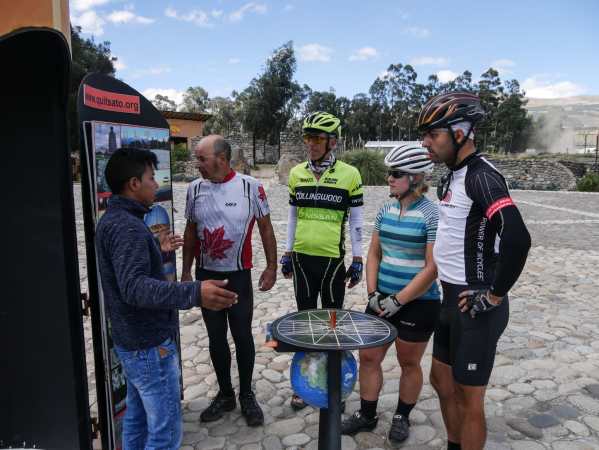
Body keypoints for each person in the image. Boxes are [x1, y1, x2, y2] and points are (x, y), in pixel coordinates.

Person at [96, 147, 238, 450]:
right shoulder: (127, 228)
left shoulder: (117, 220)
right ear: (134, 184)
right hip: (147, 345)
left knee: (137, 418)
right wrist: (195, 291)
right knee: (165, 430)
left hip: (132, 342)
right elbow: (134, 288)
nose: (155, 183)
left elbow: (126, 275)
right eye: (151, 177)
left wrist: (155, 250)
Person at [419, 92, 531, 450]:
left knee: (470, 398)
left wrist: (494, 295)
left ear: (461, 132)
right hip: (450, 298)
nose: (426, 143)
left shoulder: (483, 177)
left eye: (433, 134)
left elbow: (517, 238)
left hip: (476, 303)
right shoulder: (453, 175)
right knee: (440, 379)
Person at [341, 144, 440, 444]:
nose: (389, 178)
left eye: (396, 174)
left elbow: (432, 267)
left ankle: (401, 416)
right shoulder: (386, 209)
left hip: (418, 303)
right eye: (388, 173)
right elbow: (374, 255)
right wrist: (373, 294)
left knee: (409, 362)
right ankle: (367, 414)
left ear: (415, 177)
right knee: (368, 357)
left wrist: (400, 300)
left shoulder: (431, 214)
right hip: (381, 299)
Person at [181, 135, 277, 427]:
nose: (197, 164)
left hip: (237, 275)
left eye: (201, 158)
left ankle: (247, 394)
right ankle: (225, 394)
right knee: (214, 337)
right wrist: (186, 272)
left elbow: (266, 228)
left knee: (242, 335)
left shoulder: (251, 187)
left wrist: (272, 266)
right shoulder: (194, 189)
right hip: (206, 275)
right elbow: (189, 232)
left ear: (221, 159)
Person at [280, 111, 365, 410]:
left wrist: (358, 258)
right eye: (307, 137)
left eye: (317, 138)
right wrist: (287, 252)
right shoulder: (296, 173)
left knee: (332, 325)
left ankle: (332, 383)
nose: (310, 144)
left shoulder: (350, 175)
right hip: (302, 259)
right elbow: (292, 216)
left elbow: (356, 221)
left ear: (333, 142)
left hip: (332, 260)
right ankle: (304, 384)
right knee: (305, 322)